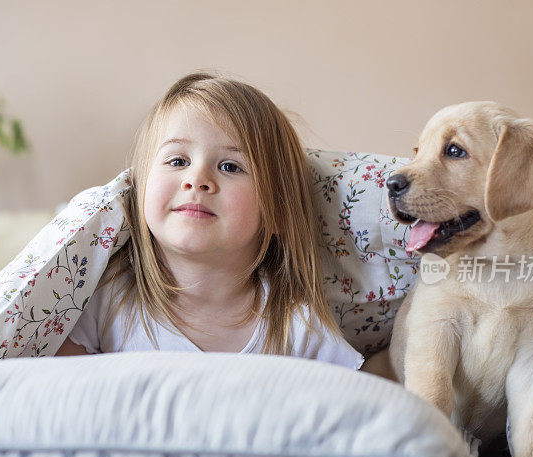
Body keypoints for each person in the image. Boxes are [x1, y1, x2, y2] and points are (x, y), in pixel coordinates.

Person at [56, 72, 362, 369]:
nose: (197, 179)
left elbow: (364, 403)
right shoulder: (104, 299)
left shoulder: (298, 328)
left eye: (230, 166)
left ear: (278, 210)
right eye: (178, 161)